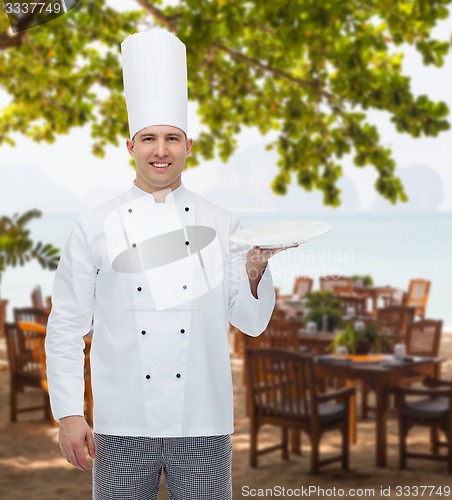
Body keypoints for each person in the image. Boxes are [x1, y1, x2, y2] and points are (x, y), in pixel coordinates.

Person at [45, 29, 293, 500]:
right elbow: (66, 325)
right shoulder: (93, 224)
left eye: (172, 138)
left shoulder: (223, 223)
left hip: (203, 420)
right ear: (130, 145)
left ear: (189, 145)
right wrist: (69, 413)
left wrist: (256, 268)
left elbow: (251, 323)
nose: (161, 150)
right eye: (150, 138)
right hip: (120, 423)